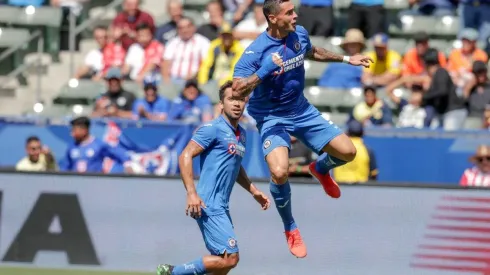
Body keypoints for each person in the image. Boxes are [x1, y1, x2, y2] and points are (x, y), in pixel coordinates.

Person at [232, 0, 372, 258]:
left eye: (294, 11)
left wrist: (346, 58)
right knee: (279, 171)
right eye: (289, 13)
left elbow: (311, 51)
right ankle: (291, 227)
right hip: (272, 118)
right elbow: (237, 89)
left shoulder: (299, 34)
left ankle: (320, 168)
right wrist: (264, 71)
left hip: (302, 111)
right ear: (273, 18)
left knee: (348, 152)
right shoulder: (255, 52)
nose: (296, 16)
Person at [156, 81, 270, 275]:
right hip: (208, 203)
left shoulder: (241, 134)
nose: (236, 104)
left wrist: (253, 190)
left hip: (222, 205)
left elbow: (235, 165)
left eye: (241, 99)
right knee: (231, 258)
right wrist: (192, 193)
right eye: (231, 99)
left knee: (221, 266)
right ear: (221, 104)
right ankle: (171, 272)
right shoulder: (212, 129)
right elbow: (185, 155)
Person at [59, 116, 133, 174]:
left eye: (74, 130)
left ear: (84, 130)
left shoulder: (99, 145)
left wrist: (127, 165)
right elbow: (66, 166)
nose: (72, 134)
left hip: (94, 183)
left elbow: (118, 153)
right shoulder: (72, 147)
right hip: (76, 183)